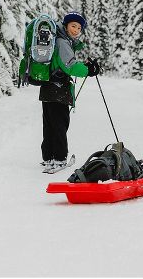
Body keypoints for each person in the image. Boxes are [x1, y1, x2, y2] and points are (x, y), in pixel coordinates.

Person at [38, 11, 100, 172]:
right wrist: (88, 70)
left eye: (79, 27)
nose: (76, 30)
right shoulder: (62, 42)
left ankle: (49, 158)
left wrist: (84, 66)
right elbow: (70, 65)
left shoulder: (57, 40)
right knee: (60, 125)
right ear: (65, 25)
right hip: (58, 88)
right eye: (73, 26)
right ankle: (59, 158)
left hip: (48, 88)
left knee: (50, 124)